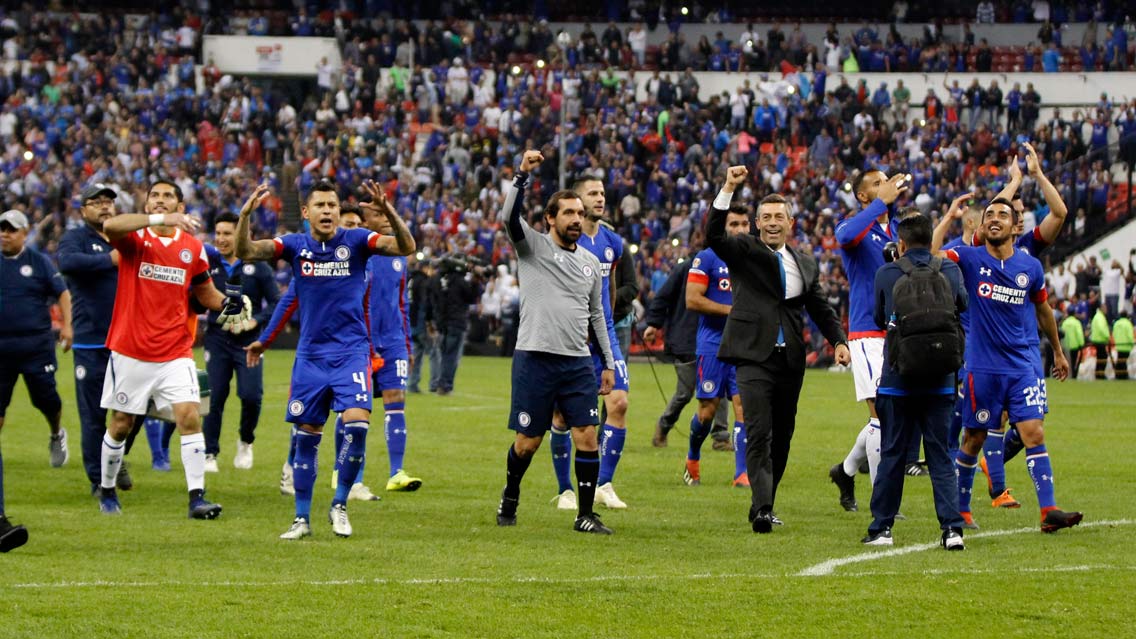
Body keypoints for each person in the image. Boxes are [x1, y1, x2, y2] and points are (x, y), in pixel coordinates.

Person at [241, 180, 415, 540]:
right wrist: (245, 215)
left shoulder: (357, 241)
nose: (327, 210)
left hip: (351, 353)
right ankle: (301, 519)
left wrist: (389, 211)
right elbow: (246, 250)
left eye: (332, 205)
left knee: (356, 424)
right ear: (306, 212)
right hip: (311, 357)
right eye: (319, 205)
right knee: (308, 436)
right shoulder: (294, 246)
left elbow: (406, 246)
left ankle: (339, 504)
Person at [706, 167, 850, 533]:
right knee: (759, 431)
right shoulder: (743, 250)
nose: (772, 223)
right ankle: (764, 509)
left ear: (791, 222)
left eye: (778, 217)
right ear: (756, 223)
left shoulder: (804, 262)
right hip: (753, 356)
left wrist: (838, 341)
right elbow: (713, 236)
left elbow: (819, 306)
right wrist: (727, 188)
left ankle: (762, 502)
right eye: (766, 217)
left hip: (790, 360)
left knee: (783, 435)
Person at [97, 180, 247, 518]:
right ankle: (106, 490)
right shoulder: (136, 239)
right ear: (147, 204)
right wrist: (153, 221)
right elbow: (110, 225)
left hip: (175, 350)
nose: (161, 200)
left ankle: (197, 498)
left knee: (189, 416)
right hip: (131, 349)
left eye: (168, 196)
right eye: (155, 196)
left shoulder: (193, 248)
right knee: (121, 424)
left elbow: (205, 293)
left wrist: (231, 304)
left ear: (180, 206)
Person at [941, 197, 1082, 533]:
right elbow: (930, 255)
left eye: (1002, 215)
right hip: (983, 368)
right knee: (973, 438)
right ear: (981, 225)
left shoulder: (1030, 266)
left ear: (1015, 225)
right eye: (989, 214)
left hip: (1021, 365)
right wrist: (949, 216)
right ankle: (961, 511)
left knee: (1033, 432)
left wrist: (1059, 352)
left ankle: (1048, 510)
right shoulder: (969, 258)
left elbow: (1044, 310)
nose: (994, 219)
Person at [494, 150, 616, 535]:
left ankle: (584, 514)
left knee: (587, 436)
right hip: (535, 358)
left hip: (577, 362)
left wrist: (608, 363)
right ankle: (510, 495)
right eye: (568, 213)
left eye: (580, 213)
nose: (577, 219)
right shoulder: (531, 248)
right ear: (550, 218)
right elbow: (507, 218)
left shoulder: (591, 264)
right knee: (528, 442)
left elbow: (598, 315)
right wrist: (522, 176)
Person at [861, 213, 968, 549]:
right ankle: (952, 530)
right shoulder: (949, 269)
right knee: (940, 455)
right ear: (930, 240)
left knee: (893, 454)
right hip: (941, 379)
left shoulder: (886, 272)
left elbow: (879, 318)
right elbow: (962, 305)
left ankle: (882, 529)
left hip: (898, 379)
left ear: (901, 243)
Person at [547, 177, 631, 512]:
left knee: (620, 404)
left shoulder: (612, 242)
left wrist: (606, 323)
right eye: (592, 194)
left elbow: (610, 286)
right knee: (563, 416)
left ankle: (604, 483)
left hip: (604, 335)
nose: (600, 198)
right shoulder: (567, 242)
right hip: (568, 336)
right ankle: (565, 489)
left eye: (601, 193)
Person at [828, 168, 910, 513]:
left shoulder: (896, 231)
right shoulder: (858, 228)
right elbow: (843, 236)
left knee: (893, 415)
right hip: (867, 333)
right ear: (863, 196)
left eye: (886, 181)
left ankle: (846, 471)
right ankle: (884, 502)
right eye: (876, 184)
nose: (885, 186)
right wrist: (880, 203)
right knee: (882, 417)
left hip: (899, 331)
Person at [336, 197, 423, 494]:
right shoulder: (358, 254)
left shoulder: (398, 255)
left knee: (396, 401)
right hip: (361, 343)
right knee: (355, 409)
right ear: (365, 221)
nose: (387, 217)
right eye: (379, 213)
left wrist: (407, 345)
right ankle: (350, 475)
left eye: (389, 211)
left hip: (394, 341)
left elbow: (402, 302)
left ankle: (396, 472)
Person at [0, 209, 74, 551]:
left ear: (24, 233)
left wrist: (68, 327)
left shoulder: (39, 262)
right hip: (1, 349)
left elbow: (62, 293)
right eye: (1, 230)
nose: (4, 235)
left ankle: (56, 432)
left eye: (11, 230)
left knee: (46, 399)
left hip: (35, 345)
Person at [57, 185, 138, 492]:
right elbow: (67, 263)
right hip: (92, 340)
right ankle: (98, 479)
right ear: (83, 211)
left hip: (129, 339)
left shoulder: (125, 237)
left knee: (138, 409)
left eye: (108, 201)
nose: (104, 207)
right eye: (96, 202)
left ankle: (116, 456)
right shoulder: (75, 238)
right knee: (93, 414)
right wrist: (110, 260)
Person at [200, 213, 280, 472]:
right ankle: (209, 453)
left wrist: (255, 321)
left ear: (240, 235)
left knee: (251, 395)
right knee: (214, 396)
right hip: (217, 339)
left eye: (227, 233)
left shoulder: (258, 266)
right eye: (218, 233)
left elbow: (277, 302)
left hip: (249, 341)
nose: (221, 239)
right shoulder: (209, 263)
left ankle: (246, 441)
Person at [683, 209, 750, 488]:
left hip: (744, 344)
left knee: (743, 407)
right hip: (712, 344)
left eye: (745, 223)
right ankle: (692, 457)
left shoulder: (754, 259)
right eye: (734, 224)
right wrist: (732, 310)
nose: (740, 228)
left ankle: (741, 474)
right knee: (707, 411)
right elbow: (693, 300)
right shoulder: (707, 258)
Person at [642, 254, 728, 449]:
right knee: (685, 393)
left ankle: (721, 437)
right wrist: (654, 324)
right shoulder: (686, 269)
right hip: (685, 339)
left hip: (714, 339)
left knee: (718, 387)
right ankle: (664, 425)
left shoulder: (727, 269)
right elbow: (663, 296)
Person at [424, 255, 479, 396]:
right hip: (456, 322)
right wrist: (476, 281)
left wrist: (430, 321)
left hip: (441, 323)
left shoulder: (435, 280)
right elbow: (472, 297)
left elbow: (429, 302)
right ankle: (445, 385)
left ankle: (437, 383)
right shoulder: (459, 281)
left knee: (442, 354)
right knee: (451, 356)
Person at [1061, 309, 1086, 378]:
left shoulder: (1064, 323)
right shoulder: (1076, 322)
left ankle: (1067, 375)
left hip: (1066, 345)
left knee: (1067, 361)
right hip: (1075, 345)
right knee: (1075, 362)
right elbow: (1079, 334)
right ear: (1074, 314)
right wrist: (1081, 344)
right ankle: (1074, 376)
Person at [1090, 303, 1111, 379]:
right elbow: (1102, 329)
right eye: (1105, 308)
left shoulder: (1097, 316)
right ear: (1101, 308)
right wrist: (1108, 336)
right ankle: (1100, 373)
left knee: (1100, 357)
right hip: (1100, 340)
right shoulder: (1100, 317)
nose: (1106, 310)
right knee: (1103, 357)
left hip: (1097, 339)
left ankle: (1099, 373)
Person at [1113, 310, 1133, 380]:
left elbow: (1114, 333)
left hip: (1118, 345)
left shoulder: (1116, 323)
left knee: (1120, 360)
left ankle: (1118, 375)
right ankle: (1124, 375)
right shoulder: (1128, 324)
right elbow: (1130, 335)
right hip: (1126, 345)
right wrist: (1132, 343)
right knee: (1123, 361)